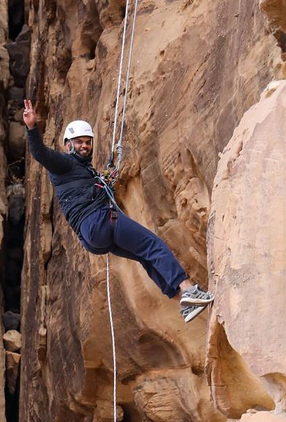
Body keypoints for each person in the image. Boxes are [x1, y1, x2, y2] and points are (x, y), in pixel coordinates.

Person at [22, 100, 214, 323]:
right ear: (67, 145)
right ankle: (189, 290)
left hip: (92, 239)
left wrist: (103, 181)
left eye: (88, 142)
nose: (84, 146)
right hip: (100, 221)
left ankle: (183, 302)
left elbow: (87, 191)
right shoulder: (63, 164)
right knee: (153, 245)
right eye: (79, 142)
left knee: (145, 256)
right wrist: (32, 128)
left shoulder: (82, 170)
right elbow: (41, 154)